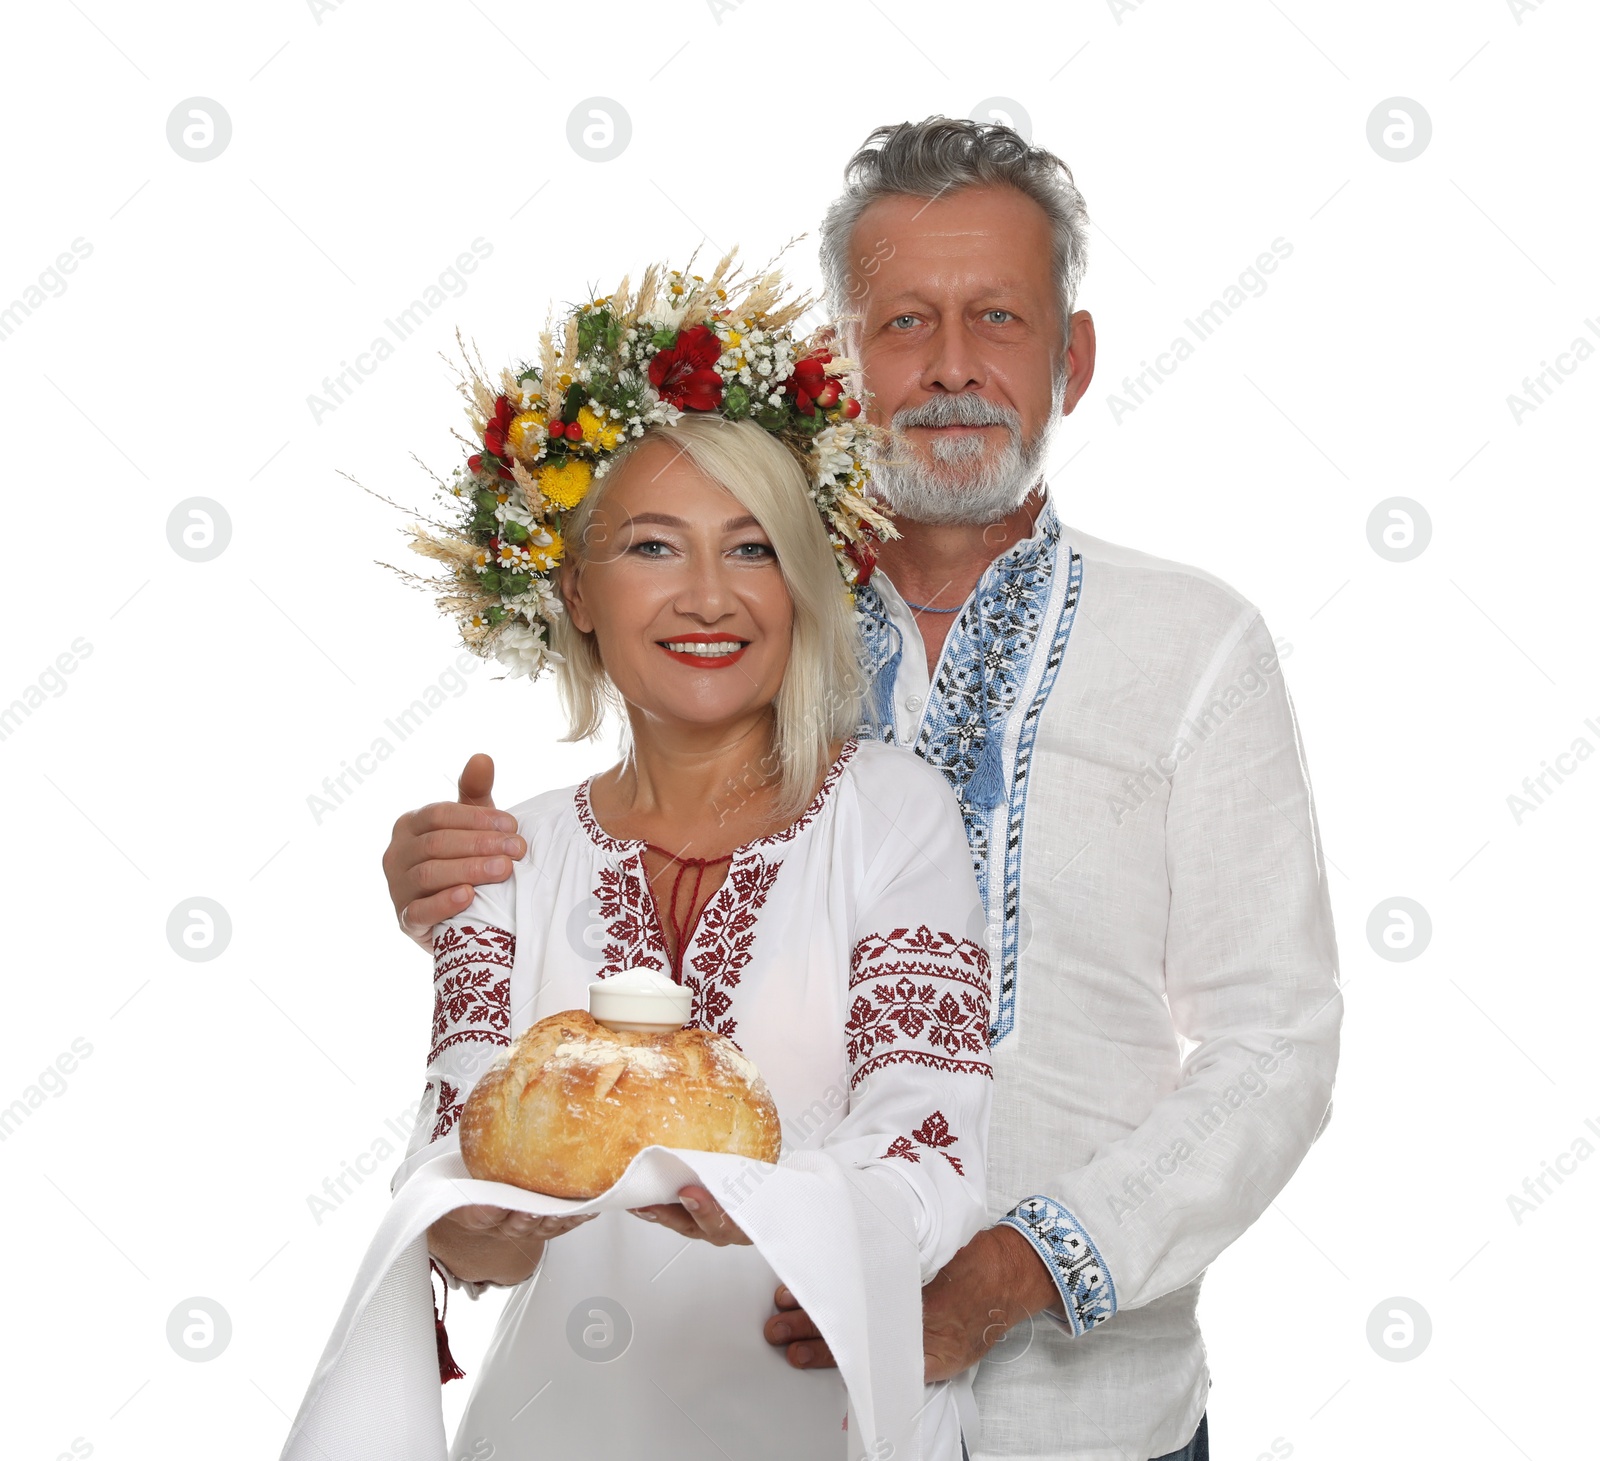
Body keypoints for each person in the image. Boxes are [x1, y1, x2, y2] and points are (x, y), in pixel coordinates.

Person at [382, 121, 1343, 1461]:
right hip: (752, 1406)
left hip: (1094, 1416)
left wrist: (1014, 1269)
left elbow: (1276, 1043)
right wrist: (465, 887)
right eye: (904, 322)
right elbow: (618, 898)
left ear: (1071, 354)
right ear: (836, 364)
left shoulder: (1193, 648)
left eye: (998, 317)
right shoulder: (746, 616)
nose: (953, 365)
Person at [371, 263, 997, 1461]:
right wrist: (495, 1223)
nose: (709, 597)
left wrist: (753, 1205)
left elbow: (934, 1156)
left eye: (753, 548)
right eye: (653, 546)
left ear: (806, 586)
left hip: (827, 1426)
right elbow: (452, 1189)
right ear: (576, 591)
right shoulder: (513, 849)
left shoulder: (894, 816)